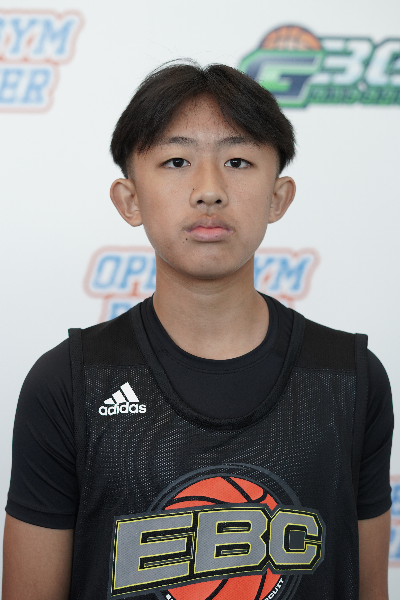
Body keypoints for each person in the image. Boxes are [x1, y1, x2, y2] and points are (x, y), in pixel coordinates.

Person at [2, 62, 393, 600]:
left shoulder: (350, 378)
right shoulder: (68, 384)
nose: (209, 190)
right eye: (176, 161)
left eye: (237, 161)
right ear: (129, 200)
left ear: (278, 197)